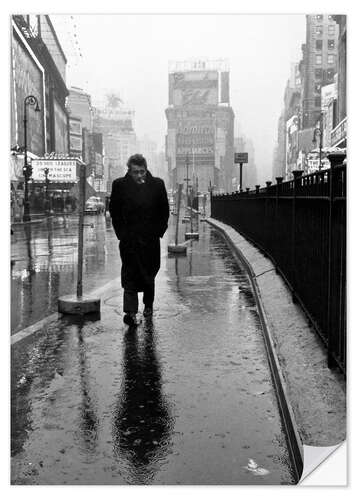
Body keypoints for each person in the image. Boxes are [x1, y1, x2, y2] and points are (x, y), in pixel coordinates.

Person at [109, 154, 169, 326]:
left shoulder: (157, 185)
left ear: (146, 169)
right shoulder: (119, 185)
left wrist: (158, 231)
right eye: (135, 172)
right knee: (130, 275)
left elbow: (164, 210)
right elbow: (114, 211)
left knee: (149, 273)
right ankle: (131, 312)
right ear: (129, 170)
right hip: (130, 240)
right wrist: (122, 234)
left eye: (142, 171)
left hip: (150, 240)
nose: (139, 176)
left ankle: (148, 305)